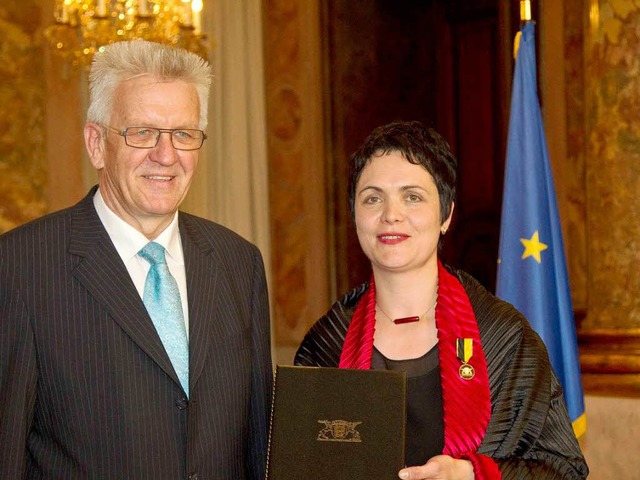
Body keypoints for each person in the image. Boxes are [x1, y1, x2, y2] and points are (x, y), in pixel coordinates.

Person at [0, 40, 272, 479]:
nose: (166, 156)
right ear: (96, 143)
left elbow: (259, 445)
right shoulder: (19, 268)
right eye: (142, 132)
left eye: (183, 134)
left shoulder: (239, 263)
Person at [294, 121, 588, 479]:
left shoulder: (504, 337)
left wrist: (470, 474)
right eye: (372, 198)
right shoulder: (326, 342)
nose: (391, 215)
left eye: (412, 196)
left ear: (446, 214)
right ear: (355, 215)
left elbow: (564, 469)